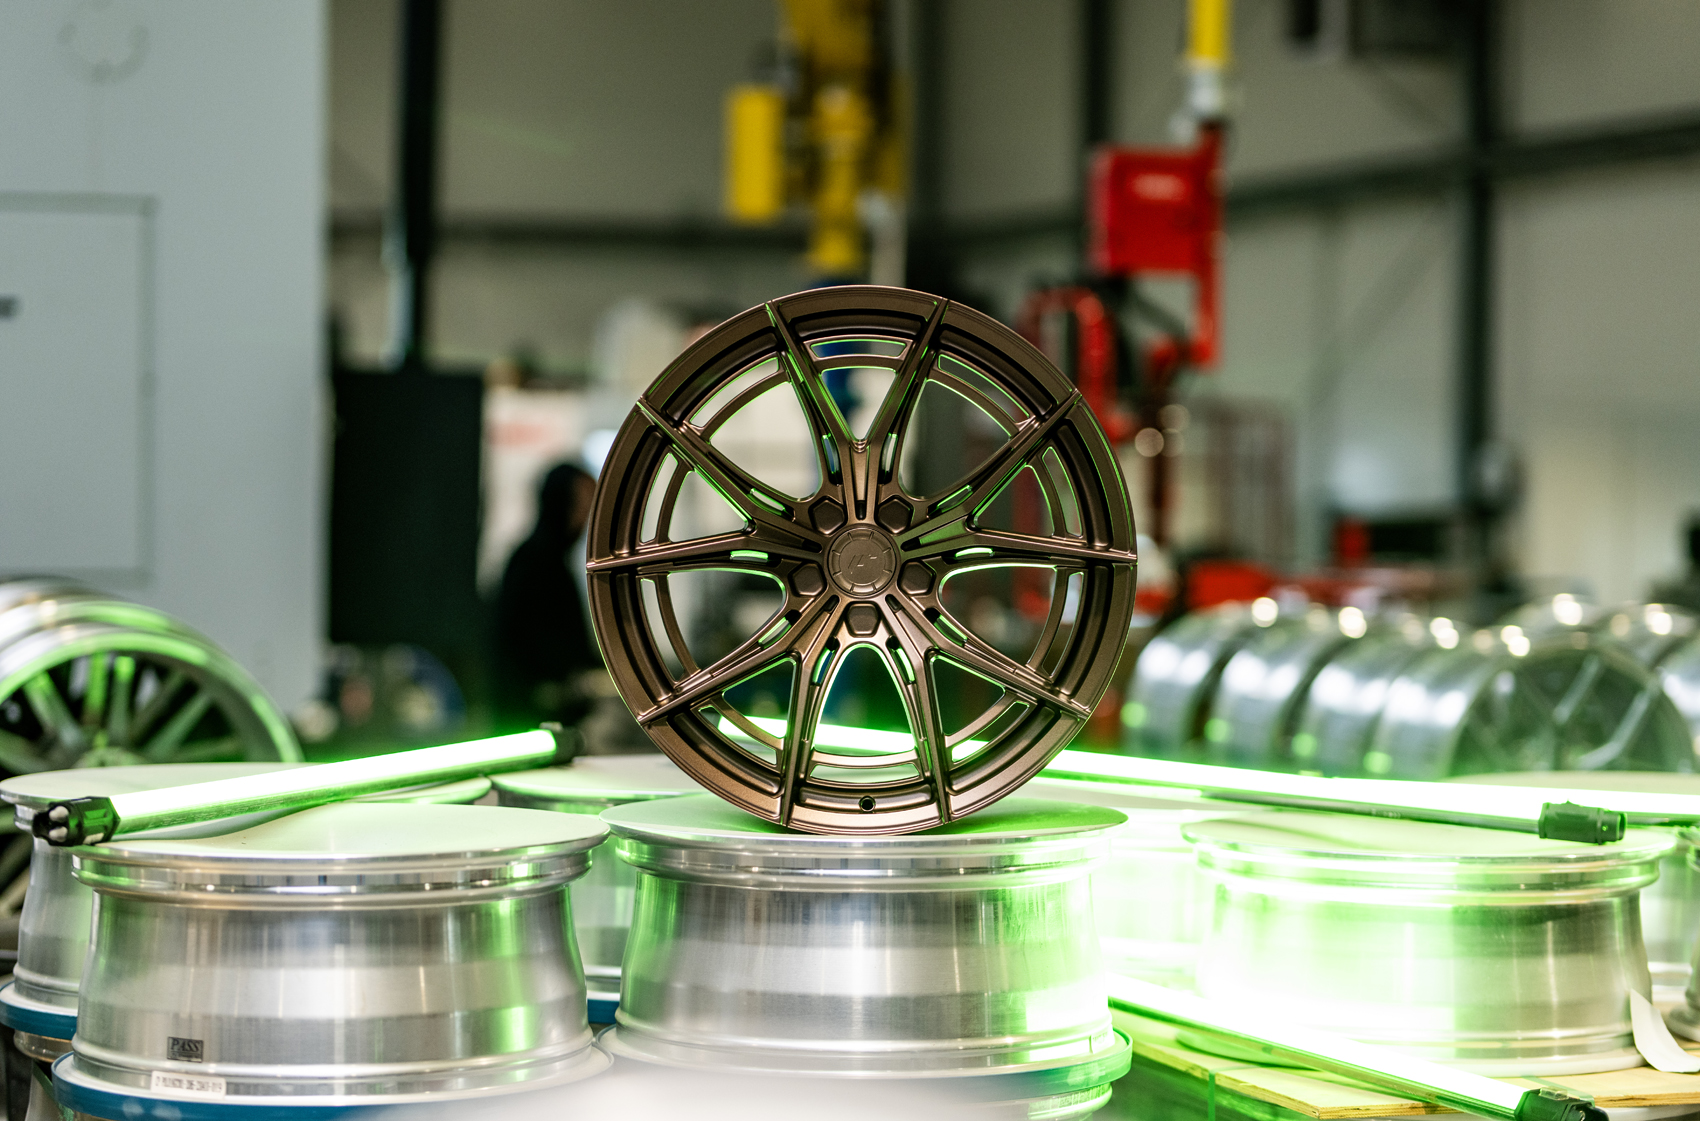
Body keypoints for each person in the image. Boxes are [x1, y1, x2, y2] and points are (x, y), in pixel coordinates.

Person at [491, 463, 600, 731]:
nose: (588, 516)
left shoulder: (548, 560)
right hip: (530, 717)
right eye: (583, 502)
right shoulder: (535, 562)